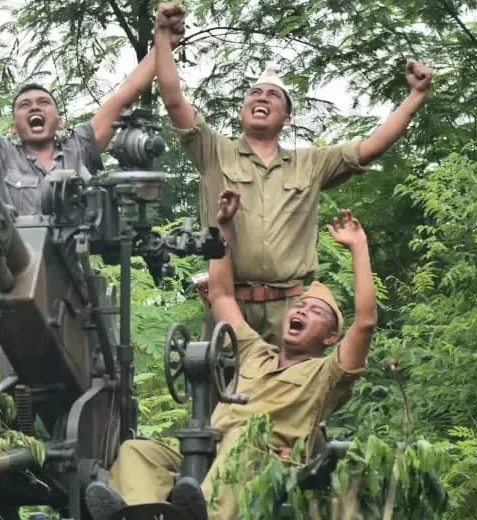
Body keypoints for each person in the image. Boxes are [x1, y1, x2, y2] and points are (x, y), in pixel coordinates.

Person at [85, 189, 377, 520]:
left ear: (330, 336)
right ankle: (139, 513)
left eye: (315, 311)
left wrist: (358, 247)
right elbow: (222, 296)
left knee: (241, 442)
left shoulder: (326, 376)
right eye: (300, 305)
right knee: (137, 451)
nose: (302, 311)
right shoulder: (254, 352)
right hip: (211, 449)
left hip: (262, 461)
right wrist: (223, 231)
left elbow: (365, 323)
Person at [152, 1, 430, 344]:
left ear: (287, 118)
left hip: (290, 312)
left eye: (273, 95)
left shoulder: (311, 163)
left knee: (293, 380)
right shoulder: (213, 152)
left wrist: (417, 95)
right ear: (242, 110)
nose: (262, 97)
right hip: (228, 306)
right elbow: (174, 101)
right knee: (222, 381)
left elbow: (371, 147)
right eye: (254, 93)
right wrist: (162, 36)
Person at [0, 16, 183, 216]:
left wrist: (163, 44)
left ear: (59, 121)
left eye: (43, 103)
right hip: (15, 273)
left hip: (75, 274)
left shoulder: (80, 147)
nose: (34, 108)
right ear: (14, 127)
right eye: (24, 105)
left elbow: (126, 95)